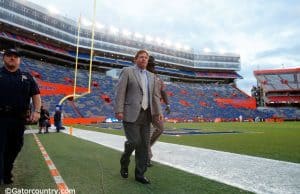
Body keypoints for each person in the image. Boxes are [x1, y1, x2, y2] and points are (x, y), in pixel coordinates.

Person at [114, 50, 163, 184]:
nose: (144, 59)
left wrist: (158, 112)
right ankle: (125, 160)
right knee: (135, 141)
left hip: (147, 114)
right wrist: (119, 110)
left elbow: (155, 96)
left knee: (144, 146)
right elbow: (120, 91)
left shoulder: (152, 76)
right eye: (141, 57)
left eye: (146, 57)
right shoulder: (127, 71)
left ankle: (140, 174)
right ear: (135, 59)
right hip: (131, 112)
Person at [0, 48, 41, 185]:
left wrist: (37, 111)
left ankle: (7, 169)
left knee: (15, 147)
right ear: (3, 58)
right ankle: (2, 174)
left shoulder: (27, 77)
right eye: (9, 56)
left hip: (18, 119)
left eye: (15, 56)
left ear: (19, 60)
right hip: (0, 118)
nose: (12, 58)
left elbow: (36, 95)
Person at [146, 56, 170, 167]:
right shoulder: (141, 74)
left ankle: (146, 148)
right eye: (151, 64)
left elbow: (163, 91)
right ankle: (146, 156)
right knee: (144, 133)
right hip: (143, 107)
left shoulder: (158, 78)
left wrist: (168, 104)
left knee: (160, 129)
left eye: (153, 65)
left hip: (156, 108)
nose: (153, 67)